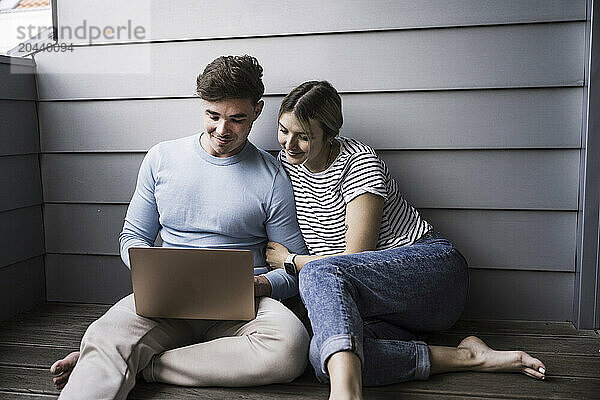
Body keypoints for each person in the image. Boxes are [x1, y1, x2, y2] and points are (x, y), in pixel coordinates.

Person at [266, 81, 547, 400]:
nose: (289, 144)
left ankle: (346, 396)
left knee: (320, 273)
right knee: (323, 357)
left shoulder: (357, 162)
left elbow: (353, 258)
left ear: (329, 134)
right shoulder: (285, 167)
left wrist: (291, 262)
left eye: (303, 136)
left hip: (432, 274)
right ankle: (469, 356)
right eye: (283, 130)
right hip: (381, 308)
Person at [49, 55, 310, 399]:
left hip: (242, 307)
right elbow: (132, 237)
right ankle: (117, 358)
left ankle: (143, 366)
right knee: (104, 335)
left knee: (291, 346)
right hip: (167, 300)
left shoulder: (272, 176)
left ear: (257, 111)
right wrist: (152, 269)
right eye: (213, 116)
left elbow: (293, 267)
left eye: (237, 119)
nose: (222, 130)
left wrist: (259, 285)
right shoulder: (162, 158)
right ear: (202, 106)